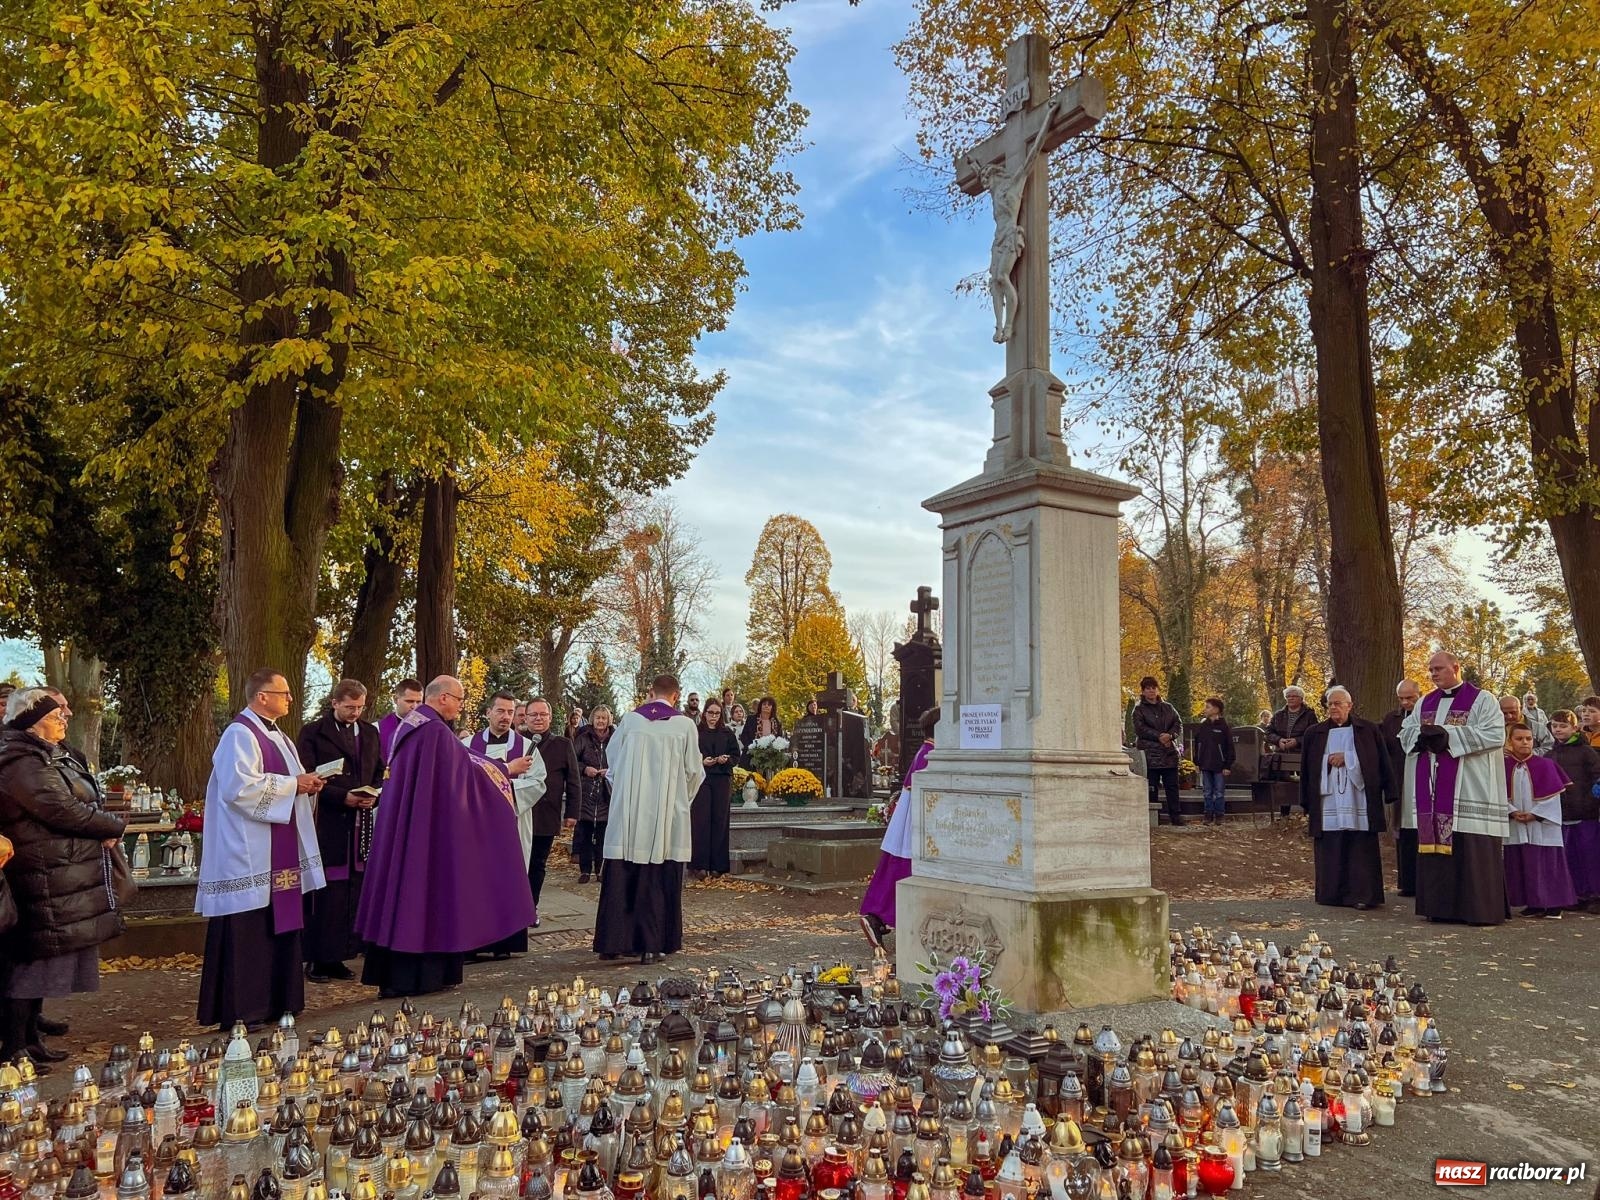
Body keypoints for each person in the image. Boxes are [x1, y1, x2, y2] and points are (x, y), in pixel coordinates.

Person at [355, 676, 534, 996]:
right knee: (427, 895)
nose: (462, 705)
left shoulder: (412, 725)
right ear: (442, 699)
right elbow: (464, 772)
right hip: (428, 835)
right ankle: (419, 978)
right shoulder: (434, 731)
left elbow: (459, 765)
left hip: (413, 826)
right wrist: (506, 770)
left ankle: (402, 975)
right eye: (459, 699)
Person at [0, 689, 126, 1068]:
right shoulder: (20, 761)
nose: (64, 720)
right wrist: (111, 824)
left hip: (54, 869)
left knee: (43, 958)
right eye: (56, 716)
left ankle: (30, 1040)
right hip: (38, 871)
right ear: (33, 722)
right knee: (30, 963)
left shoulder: (44, 755)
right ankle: (13, 1049)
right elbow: (60, 808)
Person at [195, 670, 327, 1030]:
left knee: (278, 924)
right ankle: (244, 1008)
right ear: (262, 696)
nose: (289, 699)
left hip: (275, 848)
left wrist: (306, 784)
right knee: (248, 930)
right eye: (283, 693)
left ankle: (278, 1001)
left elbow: (287, 780)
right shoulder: (239, 734)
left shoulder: (279, 736)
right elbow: (239, 790)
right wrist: (292, 785)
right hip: (249, 851)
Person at [593, 675, 704, 965]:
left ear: (650, 692)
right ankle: (652, 945)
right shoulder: (684, 725)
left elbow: (612, 763)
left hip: (629, 812)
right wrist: (679, 800)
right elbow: (694, 771)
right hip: (666, 815)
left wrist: (628, 796)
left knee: (622, 872)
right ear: (676, 696)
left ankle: (612, 942)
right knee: (658, 874)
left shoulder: (630, 721)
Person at [1400, 651, 1509, 925]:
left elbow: (1496, 734)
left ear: (1456, 667)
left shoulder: (1483, 700)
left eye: (1438, 669)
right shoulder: (1425, 701)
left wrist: (1449, 737)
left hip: (1470, 786)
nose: (1433, 674)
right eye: (1431, 670)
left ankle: (1477, 910)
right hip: (1434, 788)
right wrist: (1422, 736)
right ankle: (1439, 908)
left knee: (1470, 845)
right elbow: (1405, 732)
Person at [295, 679, 383, 983]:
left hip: (361, 821)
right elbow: (306, 775)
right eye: (349, 707)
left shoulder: (370, 733)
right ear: (335, 703)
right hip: (328, 820)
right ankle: (318, 957)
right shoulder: (313, 733)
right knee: (327, 892)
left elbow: (378, 771)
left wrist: (374, 794)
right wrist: (340, 797)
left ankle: (342, 955)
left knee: (353, 891)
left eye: (359, 707)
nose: (355, 712)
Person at [461, 692, 544, 954]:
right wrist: (507, 777)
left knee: (509, 879)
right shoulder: (467, 745)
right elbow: (461, 782)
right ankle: (476, 943)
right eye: (500, 711)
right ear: (488, 712)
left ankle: (506, 944)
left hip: (513, 823)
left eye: (510, 712)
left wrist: (501, 788)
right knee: (476, 881)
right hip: (477, 825)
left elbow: (537, 783)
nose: (506, 717)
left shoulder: (527, 747)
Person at [1300, 686, 1390, 910]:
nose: (1333, 707)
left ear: (1349, 706)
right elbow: (1307, 767)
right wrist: (1327, 760)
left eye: (1338, 703)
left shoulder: (1367, 730)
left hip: (1358, 797)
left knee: (1359, 845)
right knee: (1331, 844)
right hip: (1328, 798)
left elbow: (1377, 762)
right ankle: (1331, 894)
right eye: (1330, 703)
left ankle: (1362, 895)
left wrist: (1347, 758)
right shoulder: (1315, 732)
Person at [860, 706, 938, 954]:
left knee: (894, 871)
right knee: (903, 874)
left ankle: (877, 918)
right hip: (916, 827)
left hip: (907, 826)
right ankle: (876, 917)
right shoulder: (931, 755)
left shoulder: (925, 751)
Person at [1503, 723, 1578, 918]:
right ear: (1510, 741)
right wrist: (1511, 812)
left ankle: (1554, 905)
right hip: (1516, 823)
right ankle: (1534, 903)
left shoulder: (1546, 765)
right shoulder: (1503, 767)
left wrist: (1535, 814)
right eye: (1519, 739)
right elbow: (1497, 795)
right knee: (1523, 862)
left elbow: (1553, 797)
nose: (1525, 742)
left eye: (1528, 739)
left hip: (1542, 824)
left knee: (1547, 862)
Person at [523, 697, 580, 926]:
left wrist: (572, 813)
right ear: (525, 717)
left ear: (550, 718)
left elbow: (573, 780)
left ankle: (530, 908)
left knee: (537, 863)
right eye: (533, 715)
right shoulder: (517, 742)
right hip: (519, 814)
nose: (538, 719)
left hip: (546, 814)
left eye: (542, 715)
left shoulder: (563, 745)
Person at [1549, 709, 1600, 912]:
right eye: (1555, 726)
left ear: (1574, 728)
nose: (1558, 729)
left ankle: (1596, 895)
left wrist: (1592, 800)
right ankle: (1577, 894)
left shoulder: (1587, 752)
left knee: (1591, 855)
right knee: (1570, 856)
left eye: (1563, 726)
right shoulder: (1550, 754)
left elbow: (1598, 775)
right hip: (1562, 813)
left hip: (1586, 813)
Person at [1380, 679, 1422, 896]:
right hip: (1400, 779)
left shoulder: (1428, 715)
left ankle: (1424, 882)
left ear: (1419, 695)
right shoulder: (1392, 719)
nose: (1406, 702)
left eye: (1410, 698)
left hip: (1423, 780)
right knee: (1402, 830)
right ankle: (1407, 881)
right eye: (1402, 698)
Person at [691, 700, 739, 878]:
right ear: (704, 713)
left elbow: (736, 755)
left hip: (722, 779)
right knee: (701, 820)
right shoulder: (696, 732)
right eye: (710, 713)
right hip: (702, 779)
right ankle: (700, 865)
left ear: (721, 715)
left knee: (720, 820)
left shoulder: (727, 733)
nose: (713, 717)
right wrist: (701, 762)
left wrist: (726, 759)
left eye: (717, 713)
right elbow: (688, 755)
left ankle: (718, 865)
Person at [1132, 676, 1184, 827]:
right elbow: (1140, 729)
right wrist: (1158, 736)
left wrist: (1170, 735)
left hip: (1168, 752)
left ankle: (1176, 816)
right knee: (1152, 786)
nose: (1151, 691)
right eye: (1148, 688)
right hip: (1150, 753)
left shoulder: (1168, 707)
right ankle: (1154, 817)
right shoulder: (1139, 709)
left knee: (1172, 786)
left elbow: (1177, 724)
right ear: (1143, 691)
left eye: (1153, 688)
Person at [572, 707, 614, 884]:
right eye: (598, 717)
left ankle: (601, 869)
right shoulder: (583, 738)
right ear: (592, 719)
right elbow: (573, 760)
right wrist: (584, 769)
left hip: (607, 791)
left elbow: (622, 760)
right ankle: (585, 870)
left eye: (604, 718)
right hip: (587, 790)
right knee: (585, 832)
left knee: (604, 833)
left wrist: (611, 771)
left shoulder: (615, 739)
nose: (601, 721)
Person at [1191, 697, 1234, 826]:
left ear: (1216, 709)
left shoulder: (1223, 727)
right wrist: (1197, 762)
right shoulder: (1203, 726)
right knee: (1207, 791)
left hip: (1219, 765)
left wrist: (1228, 765)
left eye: (1208, 707)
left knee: (1219, 792)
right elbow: (1197, 744)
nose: (1205, 709)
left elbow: (1229, 746)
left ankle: (1219, 815)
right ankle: (1208, 814)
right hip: (1205, 764)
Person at [378, 678, 424, 763]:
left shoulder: (427, 728)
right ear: (395, 699)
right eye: (409, 701)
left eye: (418, 702)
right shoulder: (377, 729)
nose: (414, 706)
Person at [1268, 686, 1317, 750]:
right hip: (1280, 754)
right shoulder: (1278, 715)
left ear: (1301, 699)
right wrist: (1279, 740)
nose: (1290, 698)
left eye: (1294, 696)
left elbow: (1314, 734)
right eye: (1288, 696)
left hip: (1301, 754)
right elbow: (1268, 732)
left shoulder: (1309, 715)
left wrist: (1297, 741)